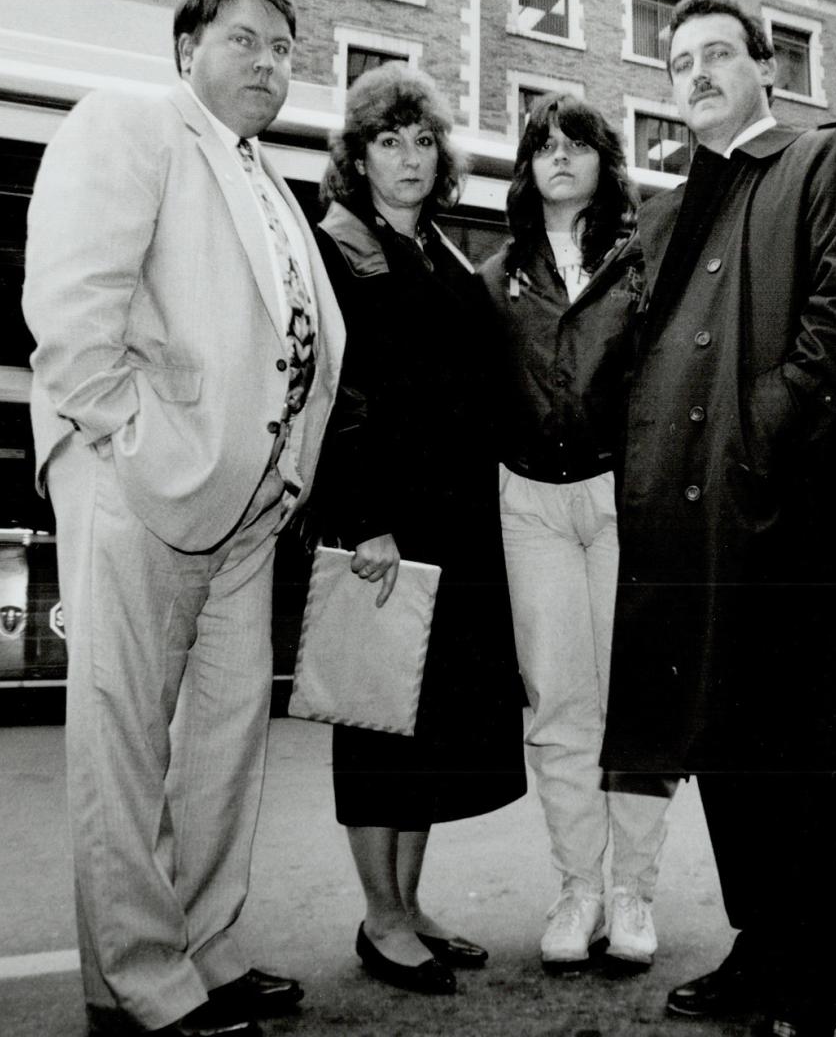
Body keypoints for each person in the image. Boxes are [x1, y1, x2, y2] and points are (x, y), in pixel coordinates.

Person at [22, 0, 344, 1037]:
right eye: (244, 40)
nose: (268, 63)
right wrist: (124, 435)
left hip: (251, 505)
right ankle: (137, 985)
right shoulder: (132, 125)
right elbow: (73, 304)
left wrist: (288, 467)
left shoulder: (271, 180)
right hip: (144, 484)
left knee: (224, 741)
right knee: (123, 741)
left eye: (284, 50)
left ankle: (207, 950)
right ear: (185, 50)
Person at [598, 0, 836, 1037]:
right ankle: (759, 948)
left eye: (718, 54)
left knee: (802, 761)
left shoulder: (829, 162)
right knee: (725, 751)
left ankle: (810, 983)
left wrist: (761, 436)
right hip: (685, 528)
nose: (696, 73)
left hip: (784, 518)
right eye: (679, 62)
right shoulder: (673, 206)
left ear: (765, 68)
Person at [310, 63, 527, 997]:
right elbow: (330, 399)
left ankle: (409, 901)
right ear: (356, 158)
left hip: (455, 524)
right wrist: (365, 522)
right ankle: (378, 917)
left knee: (427, 722)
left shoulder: (440, 252)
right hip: (383, 527)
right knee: (374, 717)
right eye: (386, 141)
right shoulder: (334, 251)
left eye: (422, 139)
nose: (407, 156)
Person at [478, 93, 673, 972]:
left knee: (635, 700)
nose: (559, 157)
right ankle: (578, 889)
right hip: (530, 503)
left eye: (577, 143)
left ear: (604, 160)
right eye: (543, 146)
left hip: (620, 501)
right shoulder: (495, 276)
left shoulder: (643, 263)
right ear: (526, 168)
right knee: (558, 706)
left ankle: (632, 889)